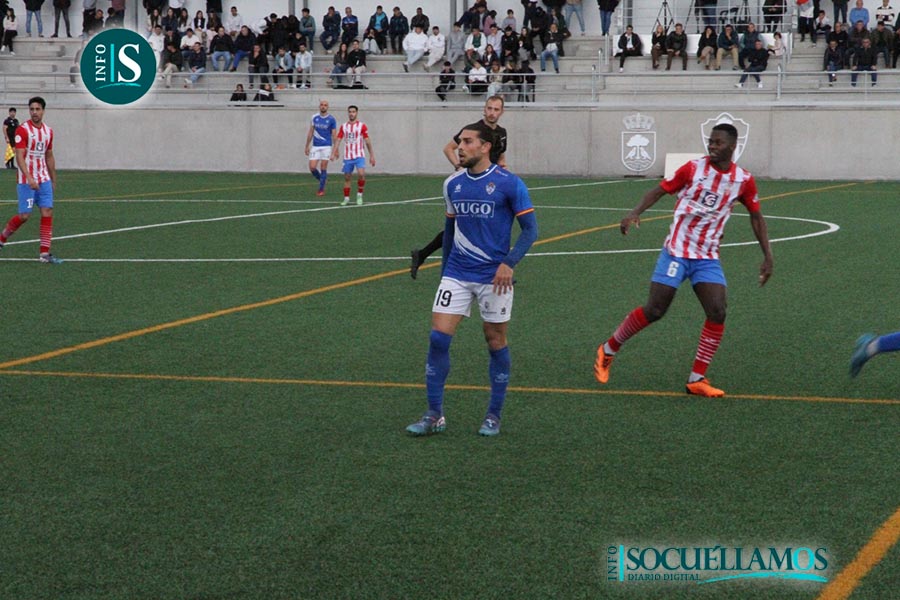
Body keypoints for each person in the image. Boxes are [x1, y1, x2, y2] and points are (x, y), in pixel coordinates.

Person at [593, 123, 773, 398]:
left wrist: (768, 255)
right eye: (711, 141)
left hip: (707, 257)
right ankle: (608, 349)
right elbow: (659, 190)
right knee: (655, 310)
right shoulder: (693, 169)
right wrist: (635, 212)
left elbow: (756, 217)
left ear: (732, 146)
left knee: (718, 311)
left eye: (718, 142)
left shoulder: (743, 180)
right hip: (676, 251)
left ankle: (696, 378)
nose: (712, 146)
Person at [405, 121, 538, 437]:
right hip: (457, 273)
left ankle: (493, 415)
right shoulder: (452, 184)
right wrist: (444, 275)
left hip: (494, 278)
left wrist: (509, 263)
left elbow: (530, 230)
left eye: (467, 142)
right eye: (459, 142)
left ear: (485, 146)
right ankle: (434, 415)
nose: (460, 148)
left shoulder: (509, 183)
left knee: (495, 341)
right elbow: (449, 232)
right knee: (438, 338)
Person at [411, 96, 508, 279]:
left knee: (485, 224)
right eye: (489, 108)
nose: (492, 113)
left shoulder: (502, 133)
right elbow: (448, 148)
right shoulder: (473, 130)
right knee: (462, 226)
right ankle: (447, 268)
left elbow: (500, 156)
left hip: (491, 184)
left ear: (502, 112)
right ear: (484, 109)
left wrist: (503, 170)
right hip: (472, 183)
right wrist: (459, 166)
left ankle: (423, 254)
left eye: (496, 109)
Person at [0, 97, 61, 263]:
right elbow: (19, 156)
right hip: (26, 180)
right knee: (24, 216)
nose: (34, 112)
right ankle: (2, 238)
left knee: (47, 211)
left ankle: (44, 254)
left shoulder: (48, 132)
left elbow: (49, 156)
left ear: (43, 111)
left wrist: (53, 179)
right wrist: (29, 178)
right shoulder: (22, 130)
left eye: (37, 109)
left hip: (43, 178)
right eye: (32, 109)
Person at [331, 105, 375, 206]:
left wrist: (372, 155)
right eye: (350, 112)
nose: (351, 114)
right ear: (348, 113)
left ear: (356, 113)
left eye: (353, 112)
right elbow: (338, 140)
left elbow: (367, 141)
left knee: (361, 174)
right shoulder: (344, 126)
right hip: (348, 156)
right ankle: (346, 198)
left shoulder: (362, 126)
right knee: (347, 177)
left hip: (359, 155)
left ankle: (359, 195)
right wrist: (334, 152)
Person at [306, 100, 338, 197]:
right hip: (316, 146)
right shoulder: (314, 117)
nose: (323, 106)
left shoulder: (331, 119)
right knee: (312, 167)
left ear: (328, 107)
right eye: (322, 105)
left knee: (323, 167)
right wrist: (307, 145)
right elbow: (311, 132)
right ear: (319, 106)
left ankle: (321, 189)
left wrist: (336, 149)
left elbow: (334, 135)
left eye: (325, 105)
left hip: (326, 146)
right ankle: (322, 179)